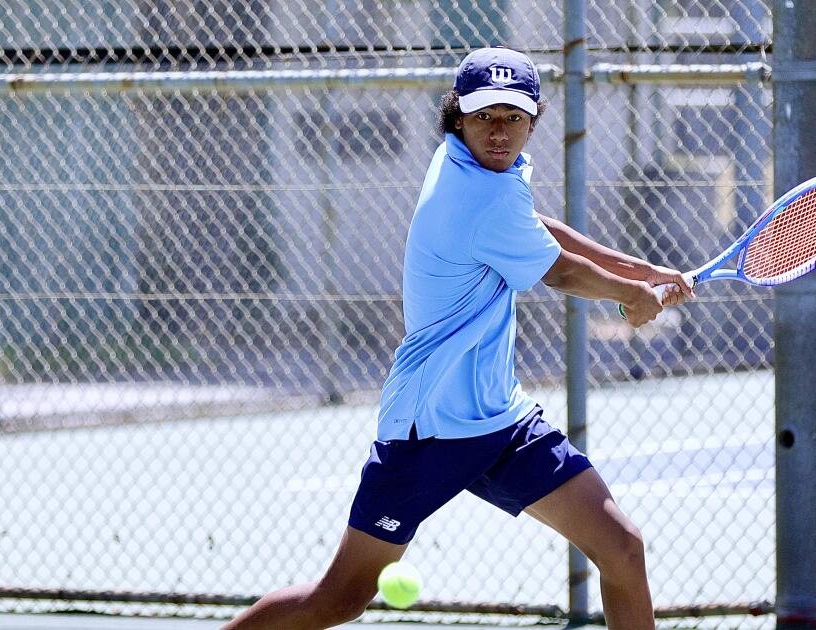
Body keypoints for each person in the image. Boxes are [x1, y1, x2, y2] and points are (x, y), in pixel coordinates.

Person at [224, 46, 693, 630]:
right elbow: (560, 271)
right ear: (458, 116)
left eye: (514, 117)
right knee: (339, 597)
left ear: (533, 121)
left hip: (500, 420)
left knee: (621, 547)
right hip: (432, 428)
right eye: (484, 116)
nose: (499, 131)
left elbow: (536, 227)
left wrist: (640, 272)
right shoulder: (477, 192)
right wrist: (631, 294)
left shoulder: (476, 168)